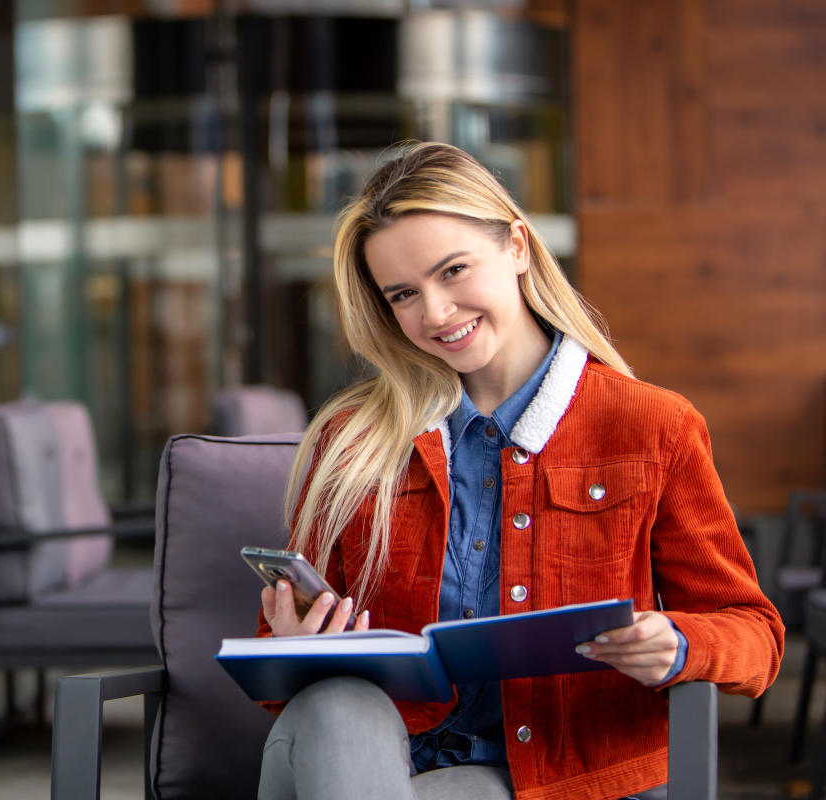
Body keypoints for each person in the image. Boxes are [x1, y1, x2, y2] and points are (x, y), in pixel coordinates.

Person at [254, 142, 783, 800]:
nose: (436, 313)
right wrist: (293, 643)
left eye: (453, 271)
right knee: (338, 703)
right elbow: (283, 677)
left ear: (517, 247)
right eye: (403, 295)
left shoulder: (654, 426)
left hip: (555, 775)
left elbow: (752, 634)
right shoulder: (352, 440)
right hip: (366, 757)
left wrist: (676, 641)